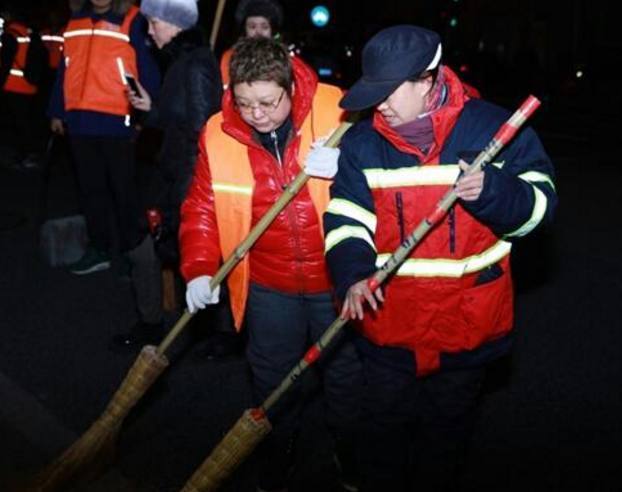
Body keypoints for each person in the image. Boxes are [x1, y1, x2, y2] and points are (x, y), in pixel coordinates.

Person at [323, 25, 557, 491]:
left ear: (427, 80)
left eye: (389, 92)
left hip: (465, 328)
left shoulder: (492, 126)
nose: (380, 104)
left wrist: (493, 191)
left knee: (445, 441)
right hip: (389, 325)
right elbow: (346, 221)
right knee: (382, 438)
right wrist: (352, 274)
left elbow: (541, 210)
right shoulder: (361, 143)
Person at [179, 37, 361, 492]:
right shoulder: (218, 132)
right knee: (272, 378)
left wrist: (349, 165)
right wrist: (199, 266)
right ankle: (278, 452)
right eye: (244, 103)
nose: (256, 114)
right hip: (268, 283)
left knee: (346, 375)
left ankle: (351, 451)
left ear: (290, 88)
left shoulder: (338, 107)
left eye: (267, 102)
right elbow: (201, 206)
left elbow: (390, 167)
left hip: (337, 277)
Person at [107, 0, 225, 349]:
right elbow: (179, 119)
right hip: (171, 178)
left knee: (183, 254)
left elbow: (202, 137)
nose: (149, 33)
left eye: (154, 23)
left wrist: (185, 199)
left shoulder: (197, 65)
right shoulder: (181, 62)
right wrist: (151, 108)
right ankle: (162, 323)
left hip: (186, 183)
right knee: (151, 246)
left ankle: (211, 332)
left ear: (174, 24)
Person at [48, 0, 160, 275]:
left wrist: (147, 116)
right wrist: (56, 111)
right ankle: (99, 249)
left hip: (117, 121)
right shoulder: (75, 21)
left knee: (124, 193)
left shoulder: (134, 20)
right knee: (90, 191)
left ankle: (132, 253)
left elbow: (149, 72)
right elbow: (64, 69)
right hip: (80, 121)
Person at [0, 4, 47, 170]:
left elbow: (4, 64)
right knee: (26, 122)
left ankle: (25, 154)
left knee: (18, 124)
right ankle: (29, 154)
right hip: (29, 85)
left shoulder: (10, 35)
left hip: (13, 87)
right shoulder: (28, 34)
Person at [220, 0, 283, 88]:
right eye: (252, 27)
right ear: (245, 30)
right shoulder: (230, 57)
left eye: (264, 27)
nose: (258, 32)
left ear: (271, 31)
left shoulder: (282, 60)